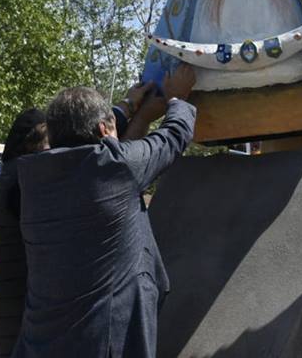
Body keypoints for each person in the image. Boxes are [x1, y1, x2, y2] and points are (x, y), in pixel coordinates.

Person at [13, 65, 197, 358]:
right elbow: (172, 137)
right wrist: (177, 99)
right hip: (103, 342)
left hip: (42, 342)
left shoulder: (34, 178)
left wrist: (126, 106)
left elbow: (86, 135)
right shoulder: (113, 167)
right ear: (104, 129)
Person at [0, 108, 49, 358]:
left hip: (14, 313)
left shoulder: (12, 175)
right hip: (21, 316)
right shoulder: (22, 180)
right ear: (31, 146)